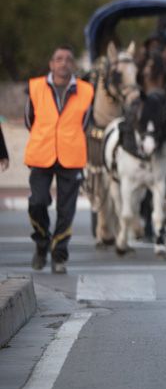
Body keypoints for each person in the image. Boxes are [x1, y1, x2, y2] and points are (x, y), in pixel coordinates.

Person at [24, 45, 94, 274]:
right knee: (37, 202)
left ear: (72, 65)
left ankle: (59, 255)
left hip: (71, 155)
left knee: (67, 210)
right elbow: (29, 119)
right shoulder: (35, 87)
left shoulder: (86, 90)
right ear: (51, 64)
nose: (63, 63)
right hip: (41, 153)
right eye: (59, 59)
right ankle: (42, 243)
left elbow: (86, 122)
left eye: (68, 59)